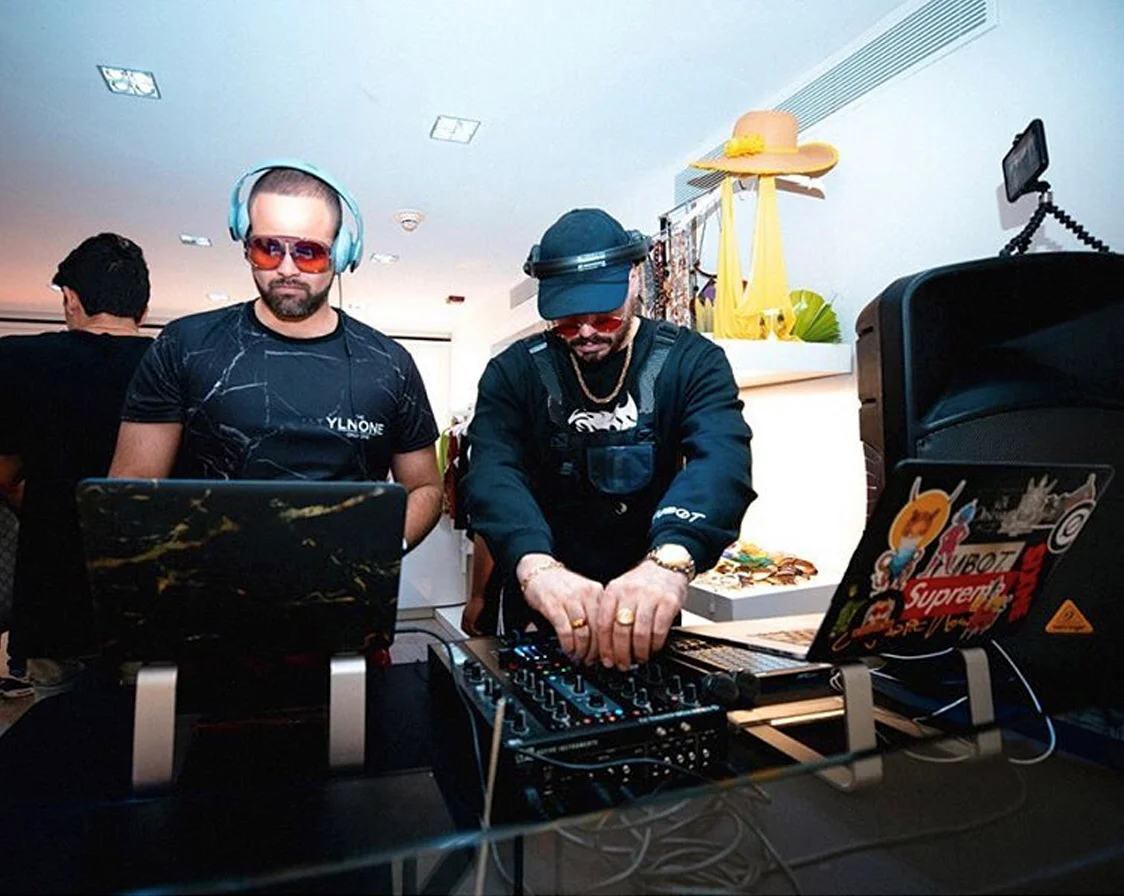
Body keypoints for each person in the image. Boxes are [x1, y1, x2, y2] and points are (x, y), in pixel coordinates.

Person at [462, 208, 755, 671]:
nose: (585, 333)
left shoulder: (693, 361)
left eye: (605, 318)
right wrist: (534, 565)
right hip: (540, 599)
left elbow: (720, 460)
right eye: (566, 321)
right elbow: (494, 473)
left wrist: (670, 563)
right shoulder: (512, 371)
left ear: (634, 280)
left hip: (646, 599)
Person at [108, 162, 443, 553]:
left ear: (341, 253)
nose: (286, 269)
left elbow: (425, 487)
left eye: (309, 252)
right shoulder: (183, 344)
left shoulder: (390, 364)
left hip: (344, 586)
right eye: (267, 249)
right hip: (206, 585)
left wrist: (379, 551)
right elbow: (130, 485)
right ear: (245, 244)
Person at [0, 233, 154, 694]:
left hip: (52, 593)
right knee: (146, 728)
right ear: (143, 307)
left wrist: (60, 512)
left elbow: (5, 477)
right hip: (146, 599)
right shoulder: (174, 364)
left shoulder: (17, 359)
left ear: (70, 298)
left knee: (57, 727)